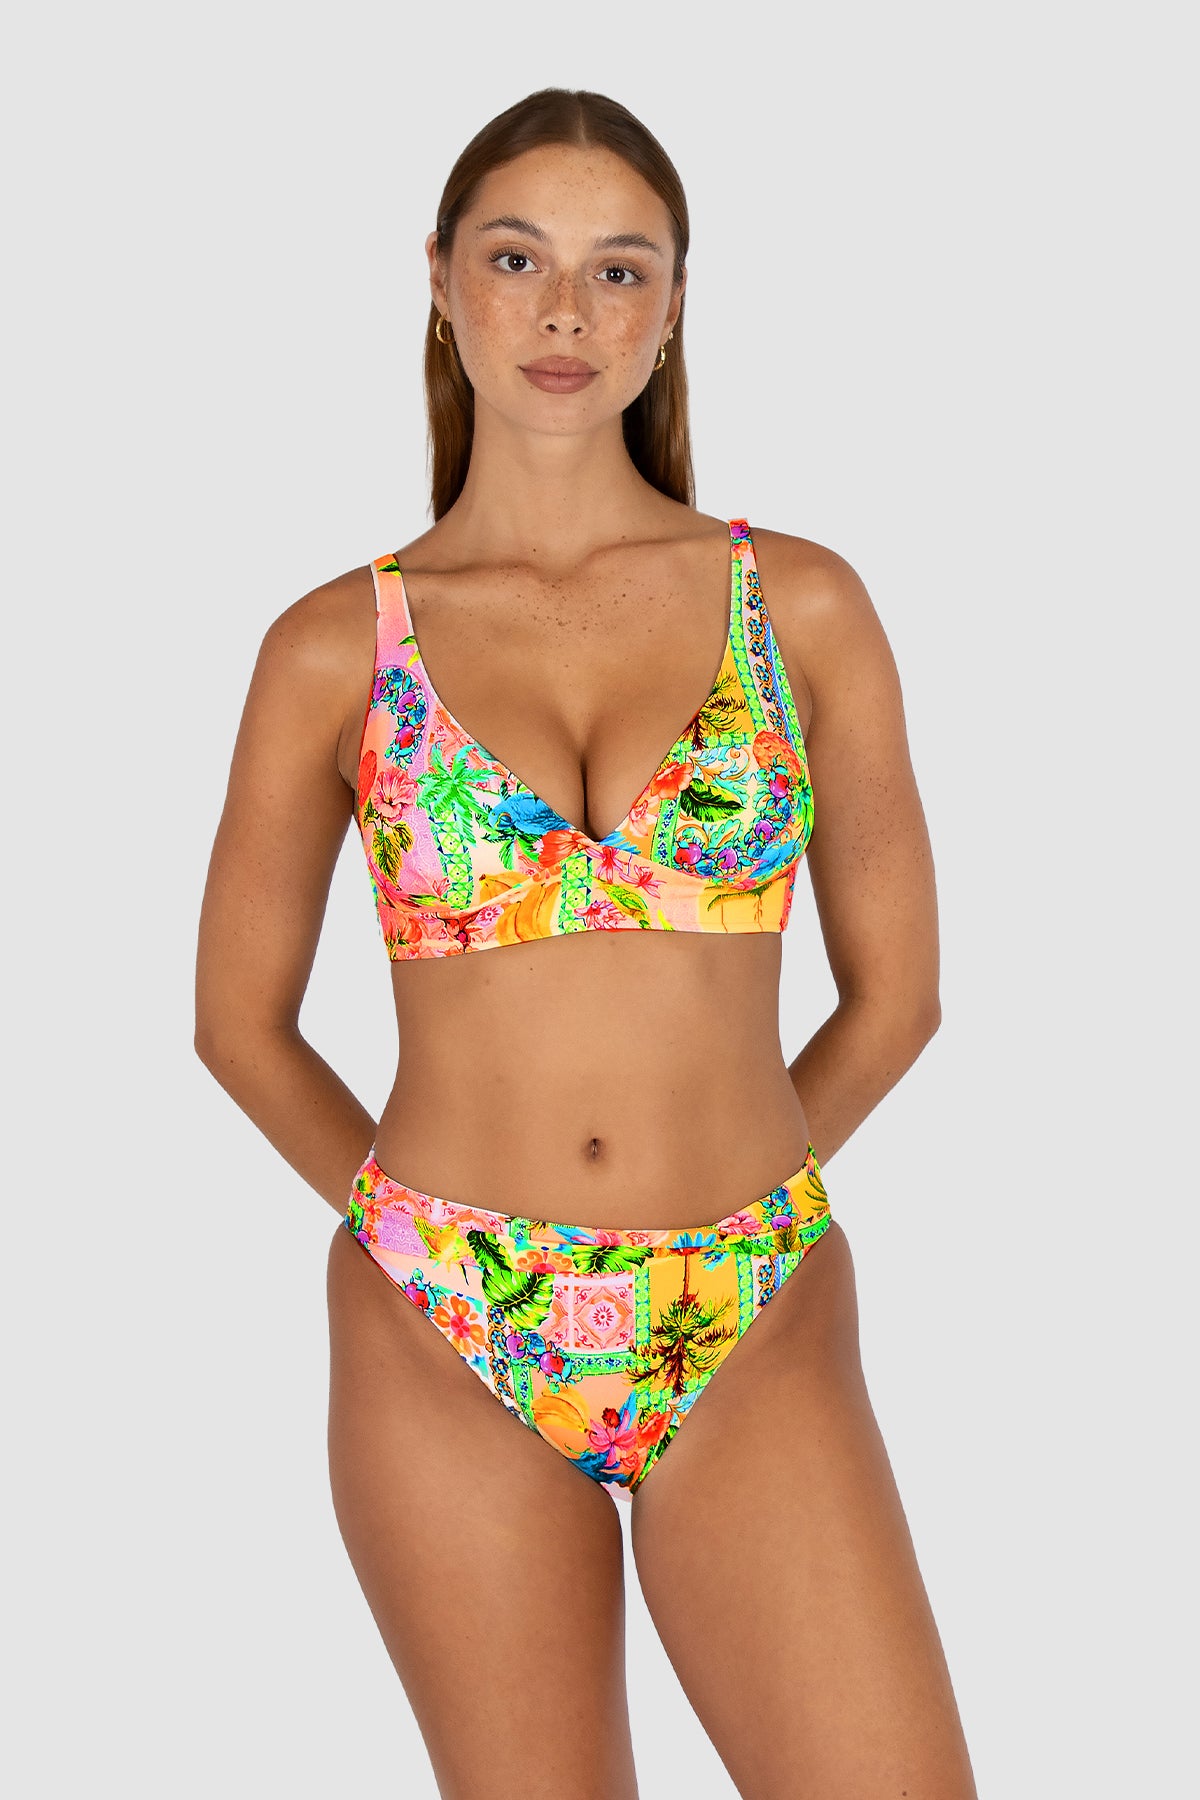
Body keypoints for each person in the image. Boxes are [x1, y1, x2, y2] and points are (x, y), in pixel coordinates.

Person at [196, 85, 978, 1800]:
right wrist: (423, 1239)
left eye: (619, 270)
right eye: (517, 259)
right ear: (440, 279)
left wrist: (727, 1190)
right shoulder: (336, 648)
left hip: (746, 1305)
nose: (565, 312)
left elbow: (900, 997)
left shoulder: (802, 606)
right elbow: (238, 1024)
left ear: (674, 306)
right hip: (445, 1330)